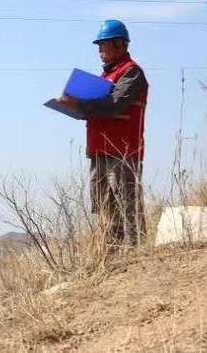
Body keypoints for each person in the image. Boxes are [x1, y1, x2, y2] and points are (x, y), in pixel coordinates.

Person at [56, 20, 148, 246]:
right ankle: (113, 256)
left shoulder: (131, 73)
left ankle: (137, 254)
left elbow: (113, 105)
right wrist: (75, 107)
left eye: (103, 44)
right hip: (99, 151)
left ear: (119, 44)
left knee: (128, 205)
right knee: (105, 207)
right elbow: (98, 109)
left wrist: (79, 103)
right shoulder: (105, 77)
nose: (99, 50)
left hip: (122, 151)